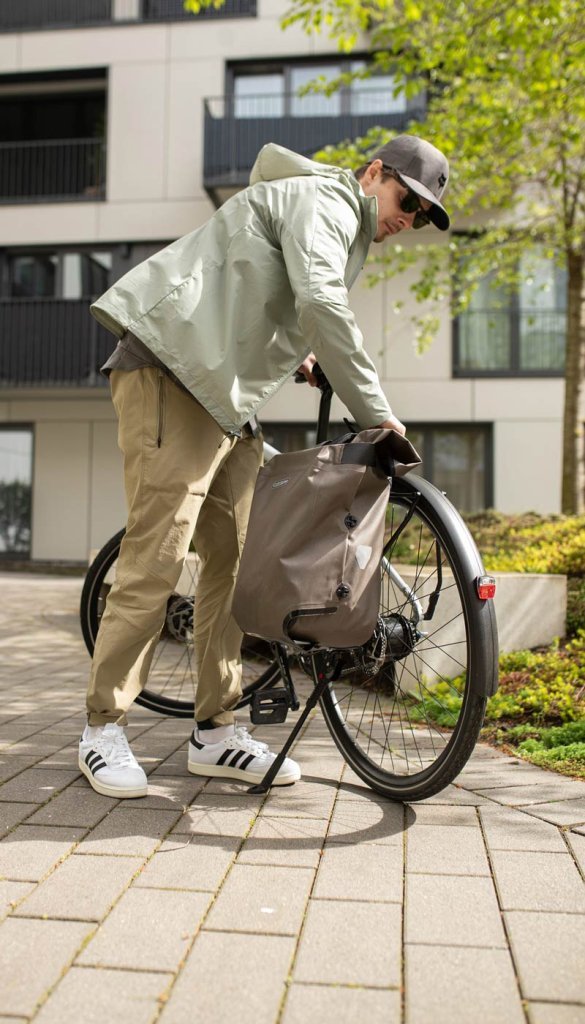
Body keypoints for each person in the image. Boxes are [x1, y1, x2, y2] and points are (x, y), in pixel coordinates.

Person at [79, 133, 450, 798]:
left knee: (240, 566)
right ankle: (102, 727)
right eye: (408, 200)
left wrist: (299, 353)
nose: (411, 218)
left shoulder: (329, 214)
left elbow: (268, 284)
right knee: (157, 556)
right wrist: (375, 410)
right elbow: (319, 297)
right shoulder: (328, 202)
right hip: (172, 370)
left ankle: (214, 733)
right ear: (374, 173)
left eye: (423, 215)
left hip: (224, 394)